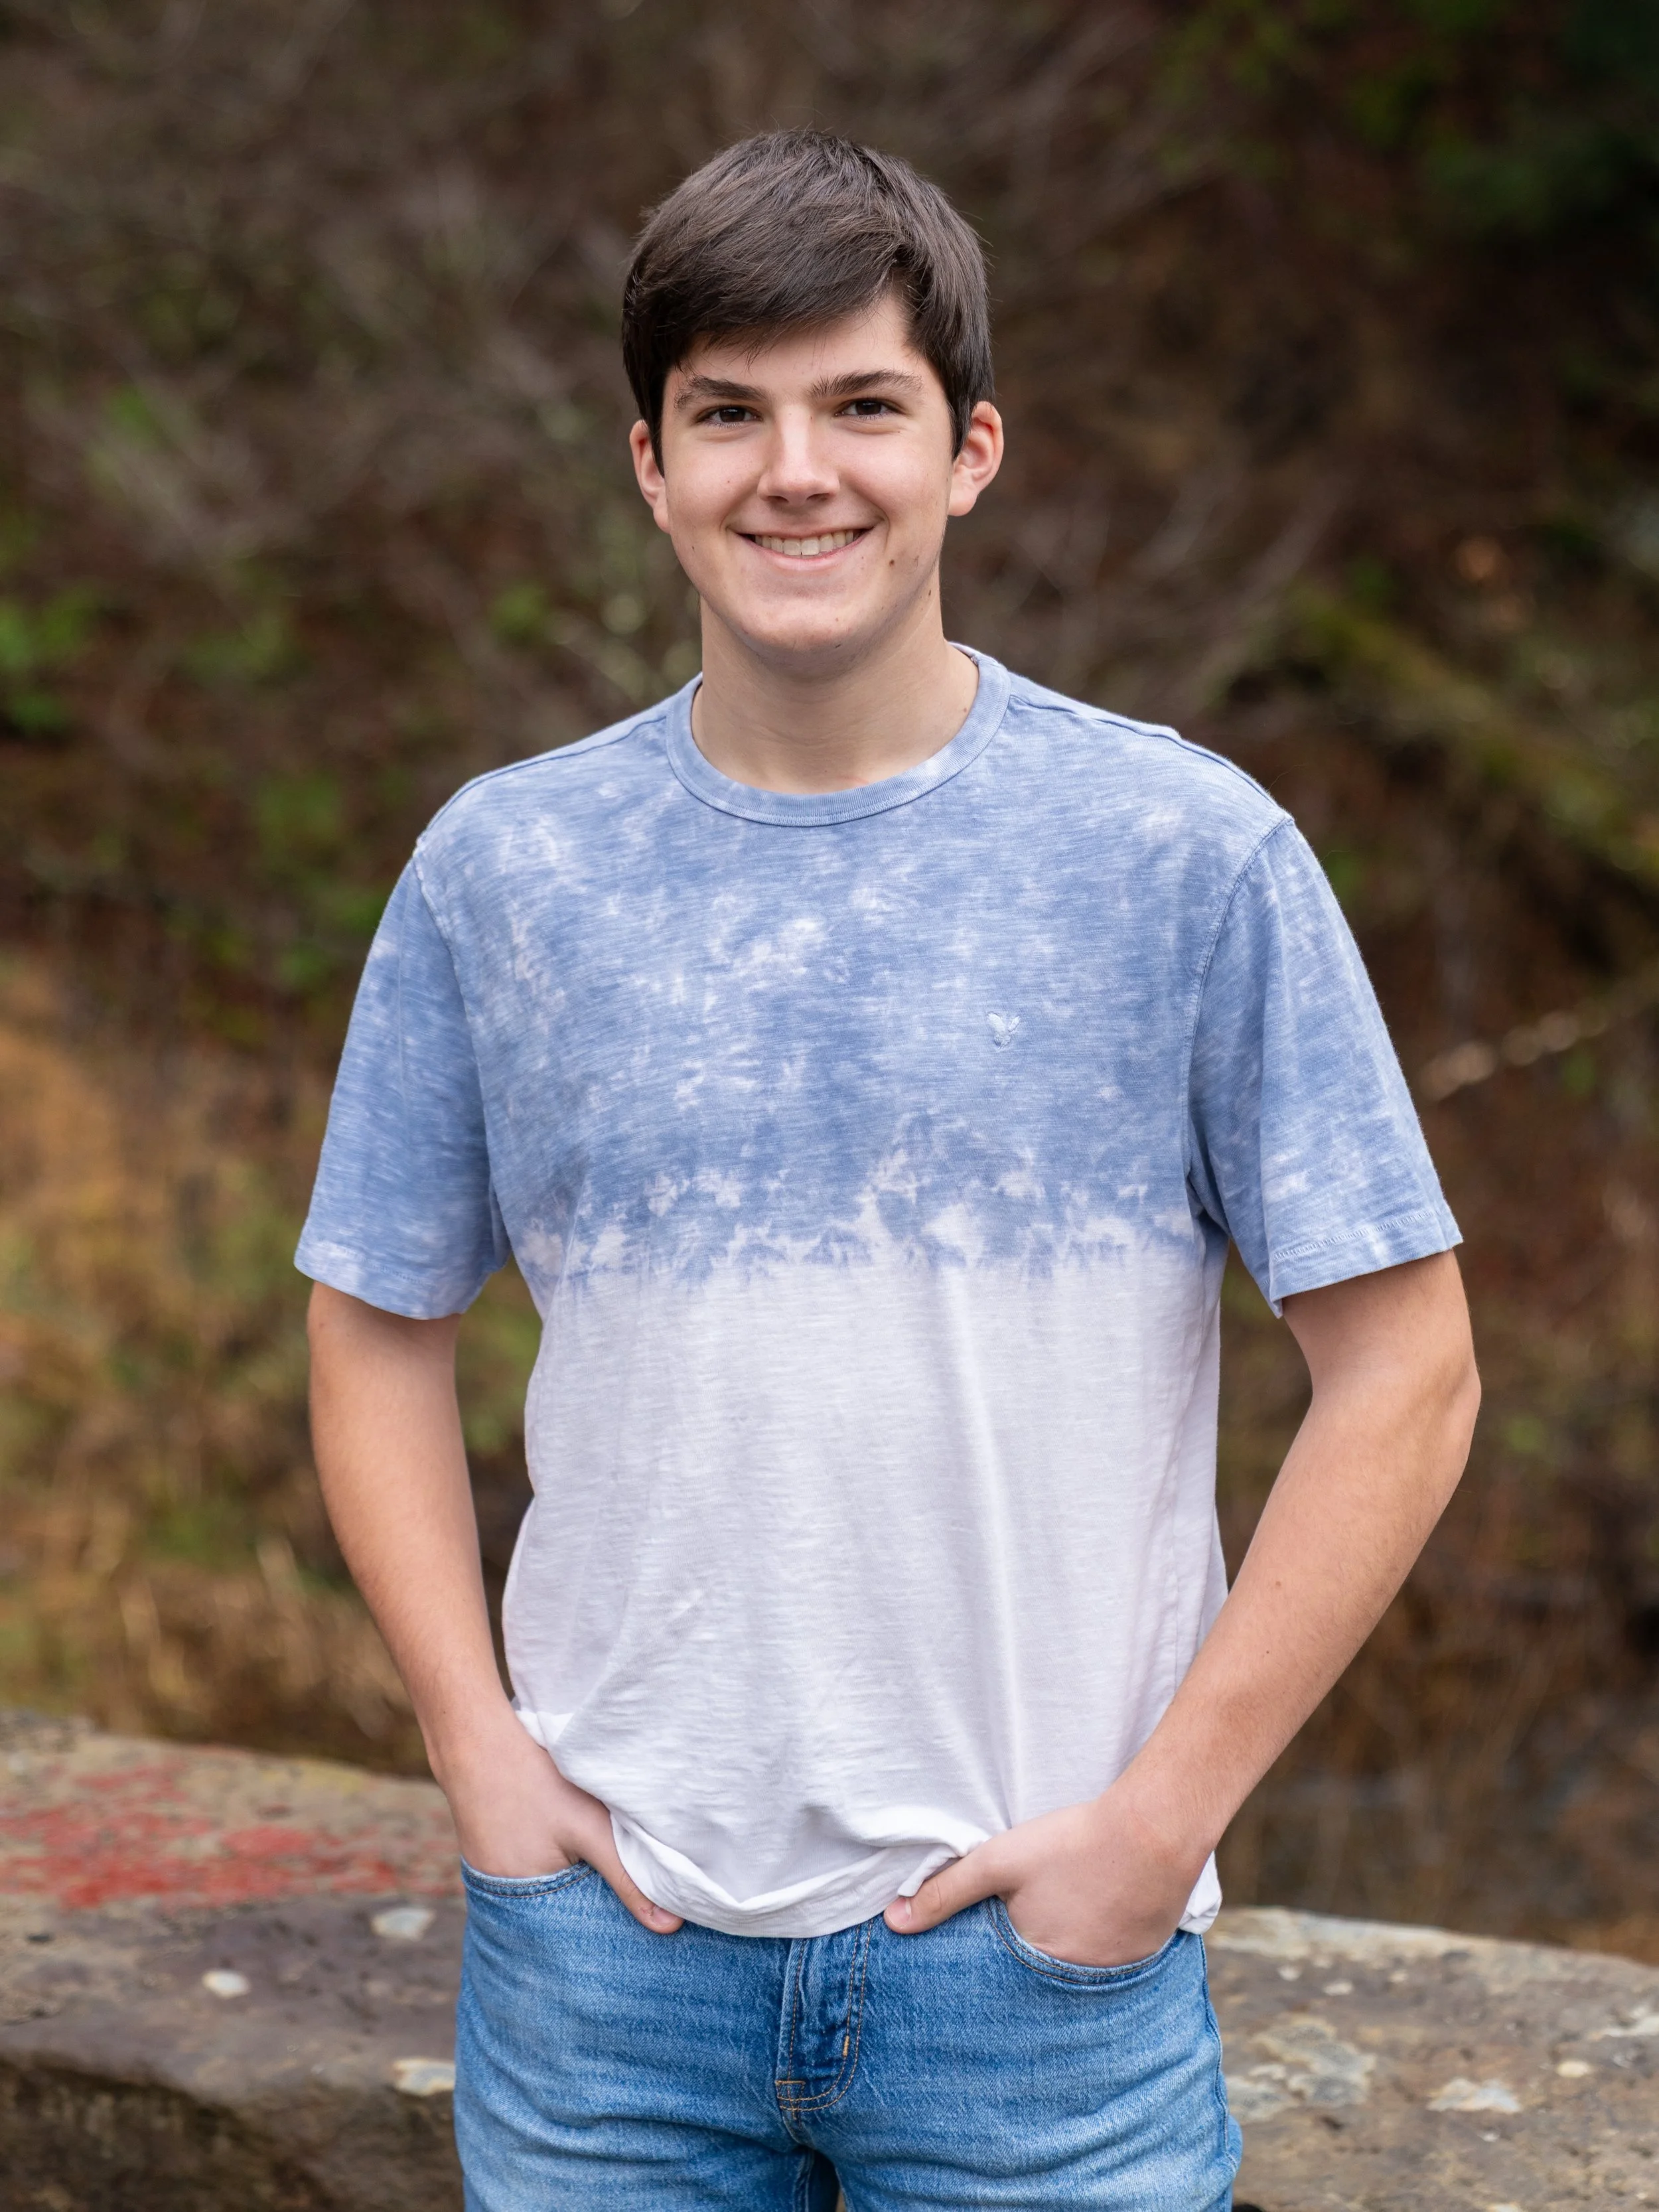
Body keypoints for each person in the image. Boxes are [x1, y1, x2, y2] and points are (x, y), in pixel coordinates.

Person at [298, 130, 1479, 2211]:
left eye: (863, 404)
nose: (797, 471)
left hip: (1039, 1986)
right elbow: (371, 1323)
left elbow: (1411, 1369)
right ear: (648, 464)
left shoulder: (1183, 854)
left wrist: (1151, 1830)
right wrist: (475, 1753)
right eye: (727, 414)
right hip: (607, 1973)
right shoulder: (507, 868)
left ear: (972, 448)